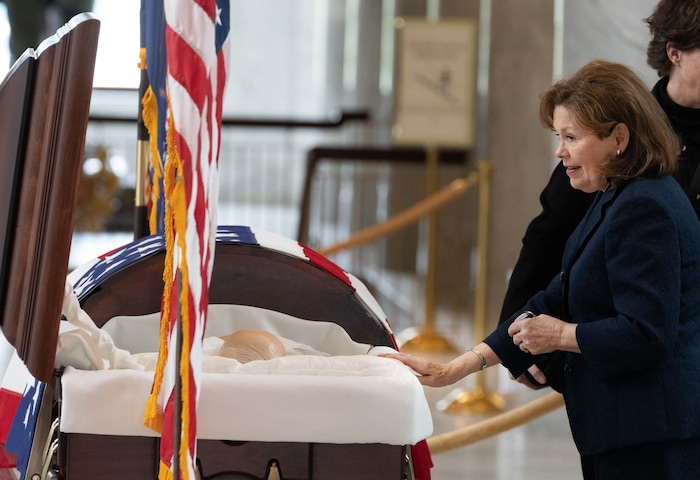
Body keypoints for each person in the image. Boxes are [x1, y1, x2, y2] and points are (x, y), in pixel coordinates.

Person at [383, 60, 700, 479]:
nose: (560, 152)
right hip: (628, 431)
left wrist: (560, 335)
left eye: (571, 137)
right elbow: (557, 294)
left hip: (649, 437)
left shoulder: (645, 207)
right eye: (558, 136)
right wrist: (457, 368)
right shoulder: (616, 194)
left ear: (618, 138)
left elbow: (646, 333)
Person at [499, 0, 700, 391]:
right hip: (629, 362)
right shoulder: (620, 126)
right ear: (675, 52)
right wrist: (514, 332)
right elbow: (550, 231)